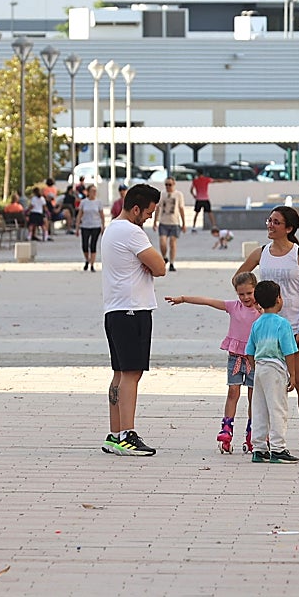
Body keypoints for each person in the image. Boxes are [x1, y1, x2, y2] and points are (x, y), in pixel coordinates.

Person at [235, 206, 299, 453]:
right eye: (269, 221)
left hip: (294, 327)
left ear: (289, 228)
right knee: (263, 385)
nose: (270, 225)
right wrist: (250, 300)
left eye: (276, 222)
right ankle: (263, 438)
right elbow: (240, 276)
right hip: (268, 329)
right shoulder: (261, 253)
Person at [98, 183, 166, 457]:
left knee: (119, 373)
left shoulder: (112, 228)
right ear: (136, 208)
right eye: (148, 212)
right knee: (132, 374)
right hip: (132, 310)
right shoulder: (131, 231)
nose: (150, 217)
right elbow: (160, 267)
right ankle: (127, 433)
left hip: (115, 309)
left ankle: (115, 434)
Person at [165, 271, 260, 453]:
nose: (246, 297)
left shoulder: (261, 310)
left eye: (249, 293)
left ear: (256, 289)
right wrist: (183, 298)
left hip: (254, 359)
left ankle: (253, 430)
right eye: (241, 294)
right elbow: (208, 301)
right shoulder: (234, 307)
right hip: (235, 358)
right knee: (233, 391)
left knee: (253, 397)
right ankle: (227, 427)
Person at [245, 280, 299, 463]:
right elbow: (289, 351)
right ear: (278, 299)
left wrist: (255, 369)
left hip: (259, 367)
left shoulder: (257, 323)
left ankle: (259, 448)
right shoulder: (282, 324)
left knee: (259, 408)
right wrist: (292, 375)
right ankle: (278, 448)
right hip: (276, 369)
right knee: (278, 408)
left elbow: (249, 352)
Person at [154, 177, 187, 272]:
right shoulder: (162, 194)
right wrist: (155, 221)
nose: (168, 186)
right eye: (166, 184)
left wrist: (184, 223)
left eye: (170, 184)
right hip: (163, 222)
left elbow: (181, 209)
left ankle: (172, 262)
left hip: (175, 222)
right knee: (162, 242)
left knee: (173, 243)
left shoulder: (178, 195)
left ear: (174, 184)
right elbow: (158, 208)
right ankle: (164, 257)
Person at [77, 184, 106, 272]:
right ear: (88, 192)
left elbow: (102, 215)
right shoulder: (84, 202)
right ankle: (87, 259)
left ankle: (92, 264)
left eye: (95, 191)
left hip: (95, 225)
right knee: (85, 245)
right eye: (92, 191)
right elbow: (79, 215)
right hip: (85, 225)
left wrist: (102, 226)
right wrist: (77, 227)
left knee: (93, 245)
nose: (94, 193)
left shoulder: (98, 202)